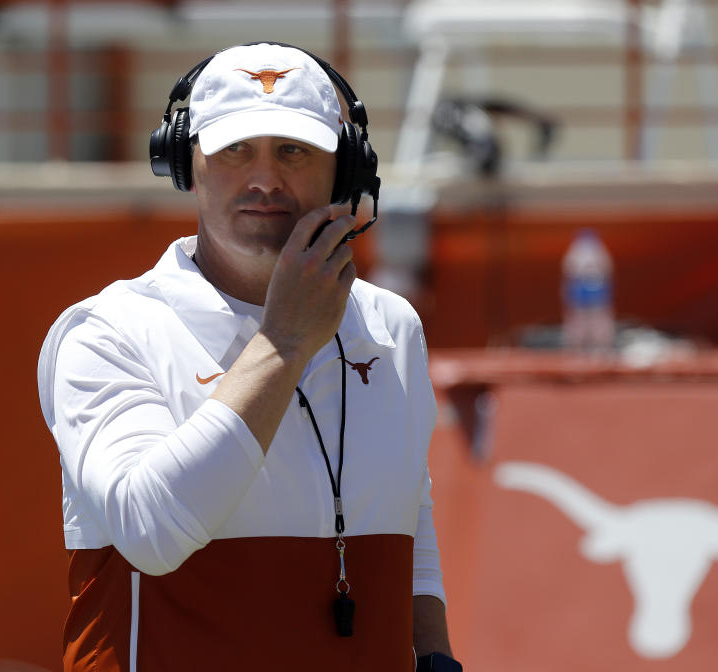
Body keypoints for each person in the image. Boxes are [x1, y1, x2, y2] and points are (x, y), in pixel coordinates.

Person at [37, 42, 458, 671]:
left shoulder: (393, 327)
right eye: (235, 149)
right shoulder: (107, 332)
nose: (265, 178)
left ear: (345, 171)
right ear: (187, 163)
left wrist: (434, 653)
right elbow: (150, 532)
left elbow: (408, 510)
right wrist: (283, 344)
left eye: (293, 150)